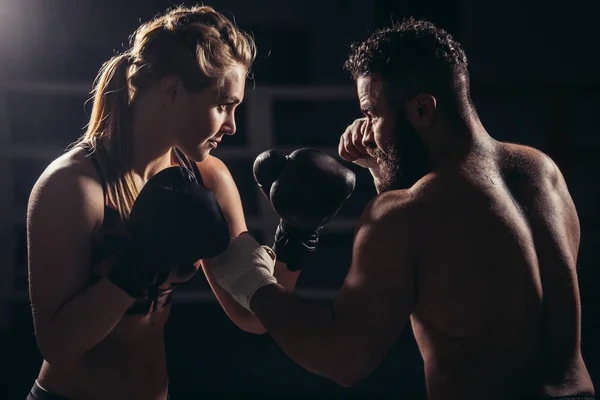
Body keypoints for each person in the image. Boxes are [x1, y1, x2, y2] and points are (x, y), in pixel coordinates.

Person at [205, 18, 596, 400]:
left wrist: (251, 280)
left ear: (422, 110)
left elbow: (342, 357)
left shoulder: (406, 214)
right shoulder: (540, 171)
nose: (366, 128)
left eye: (372, 113)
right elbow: (468, 265)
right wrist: (386, 170)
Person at [26, 5, 299, 400]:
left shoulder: (206, 177)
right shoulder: (73, 186)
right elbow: (57, 345)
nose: (232, 125)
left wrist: (297, 234)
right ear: (171, 90)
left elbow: (254, 315)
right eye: (222, 104)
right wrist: (137, 265)